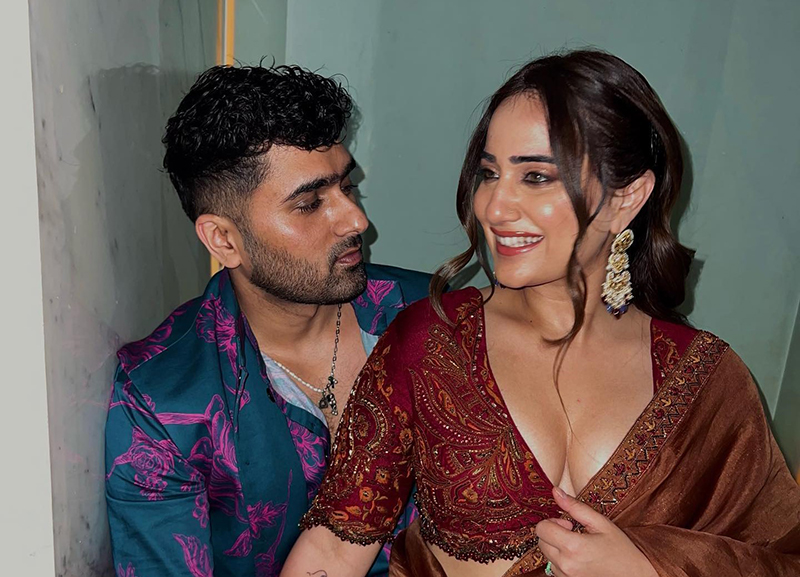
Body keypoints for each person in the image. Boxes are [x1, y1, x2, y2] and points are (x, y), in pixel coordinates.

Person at [281, 49, 800, 577]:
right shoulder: (431, 341)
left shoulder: (706, 380)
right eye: (489, 173)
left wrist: (653, 569)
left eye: (535, 177)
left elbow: (783, 557)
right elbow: (334, 547)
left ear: (628, 197)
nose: (494, 207)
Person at [104, 64, 428, 577]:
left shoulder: (434, 316)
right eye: (310, 203)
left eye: (347, 187)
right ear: (223, 240)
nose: (356, 220)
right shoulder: (165, 403)